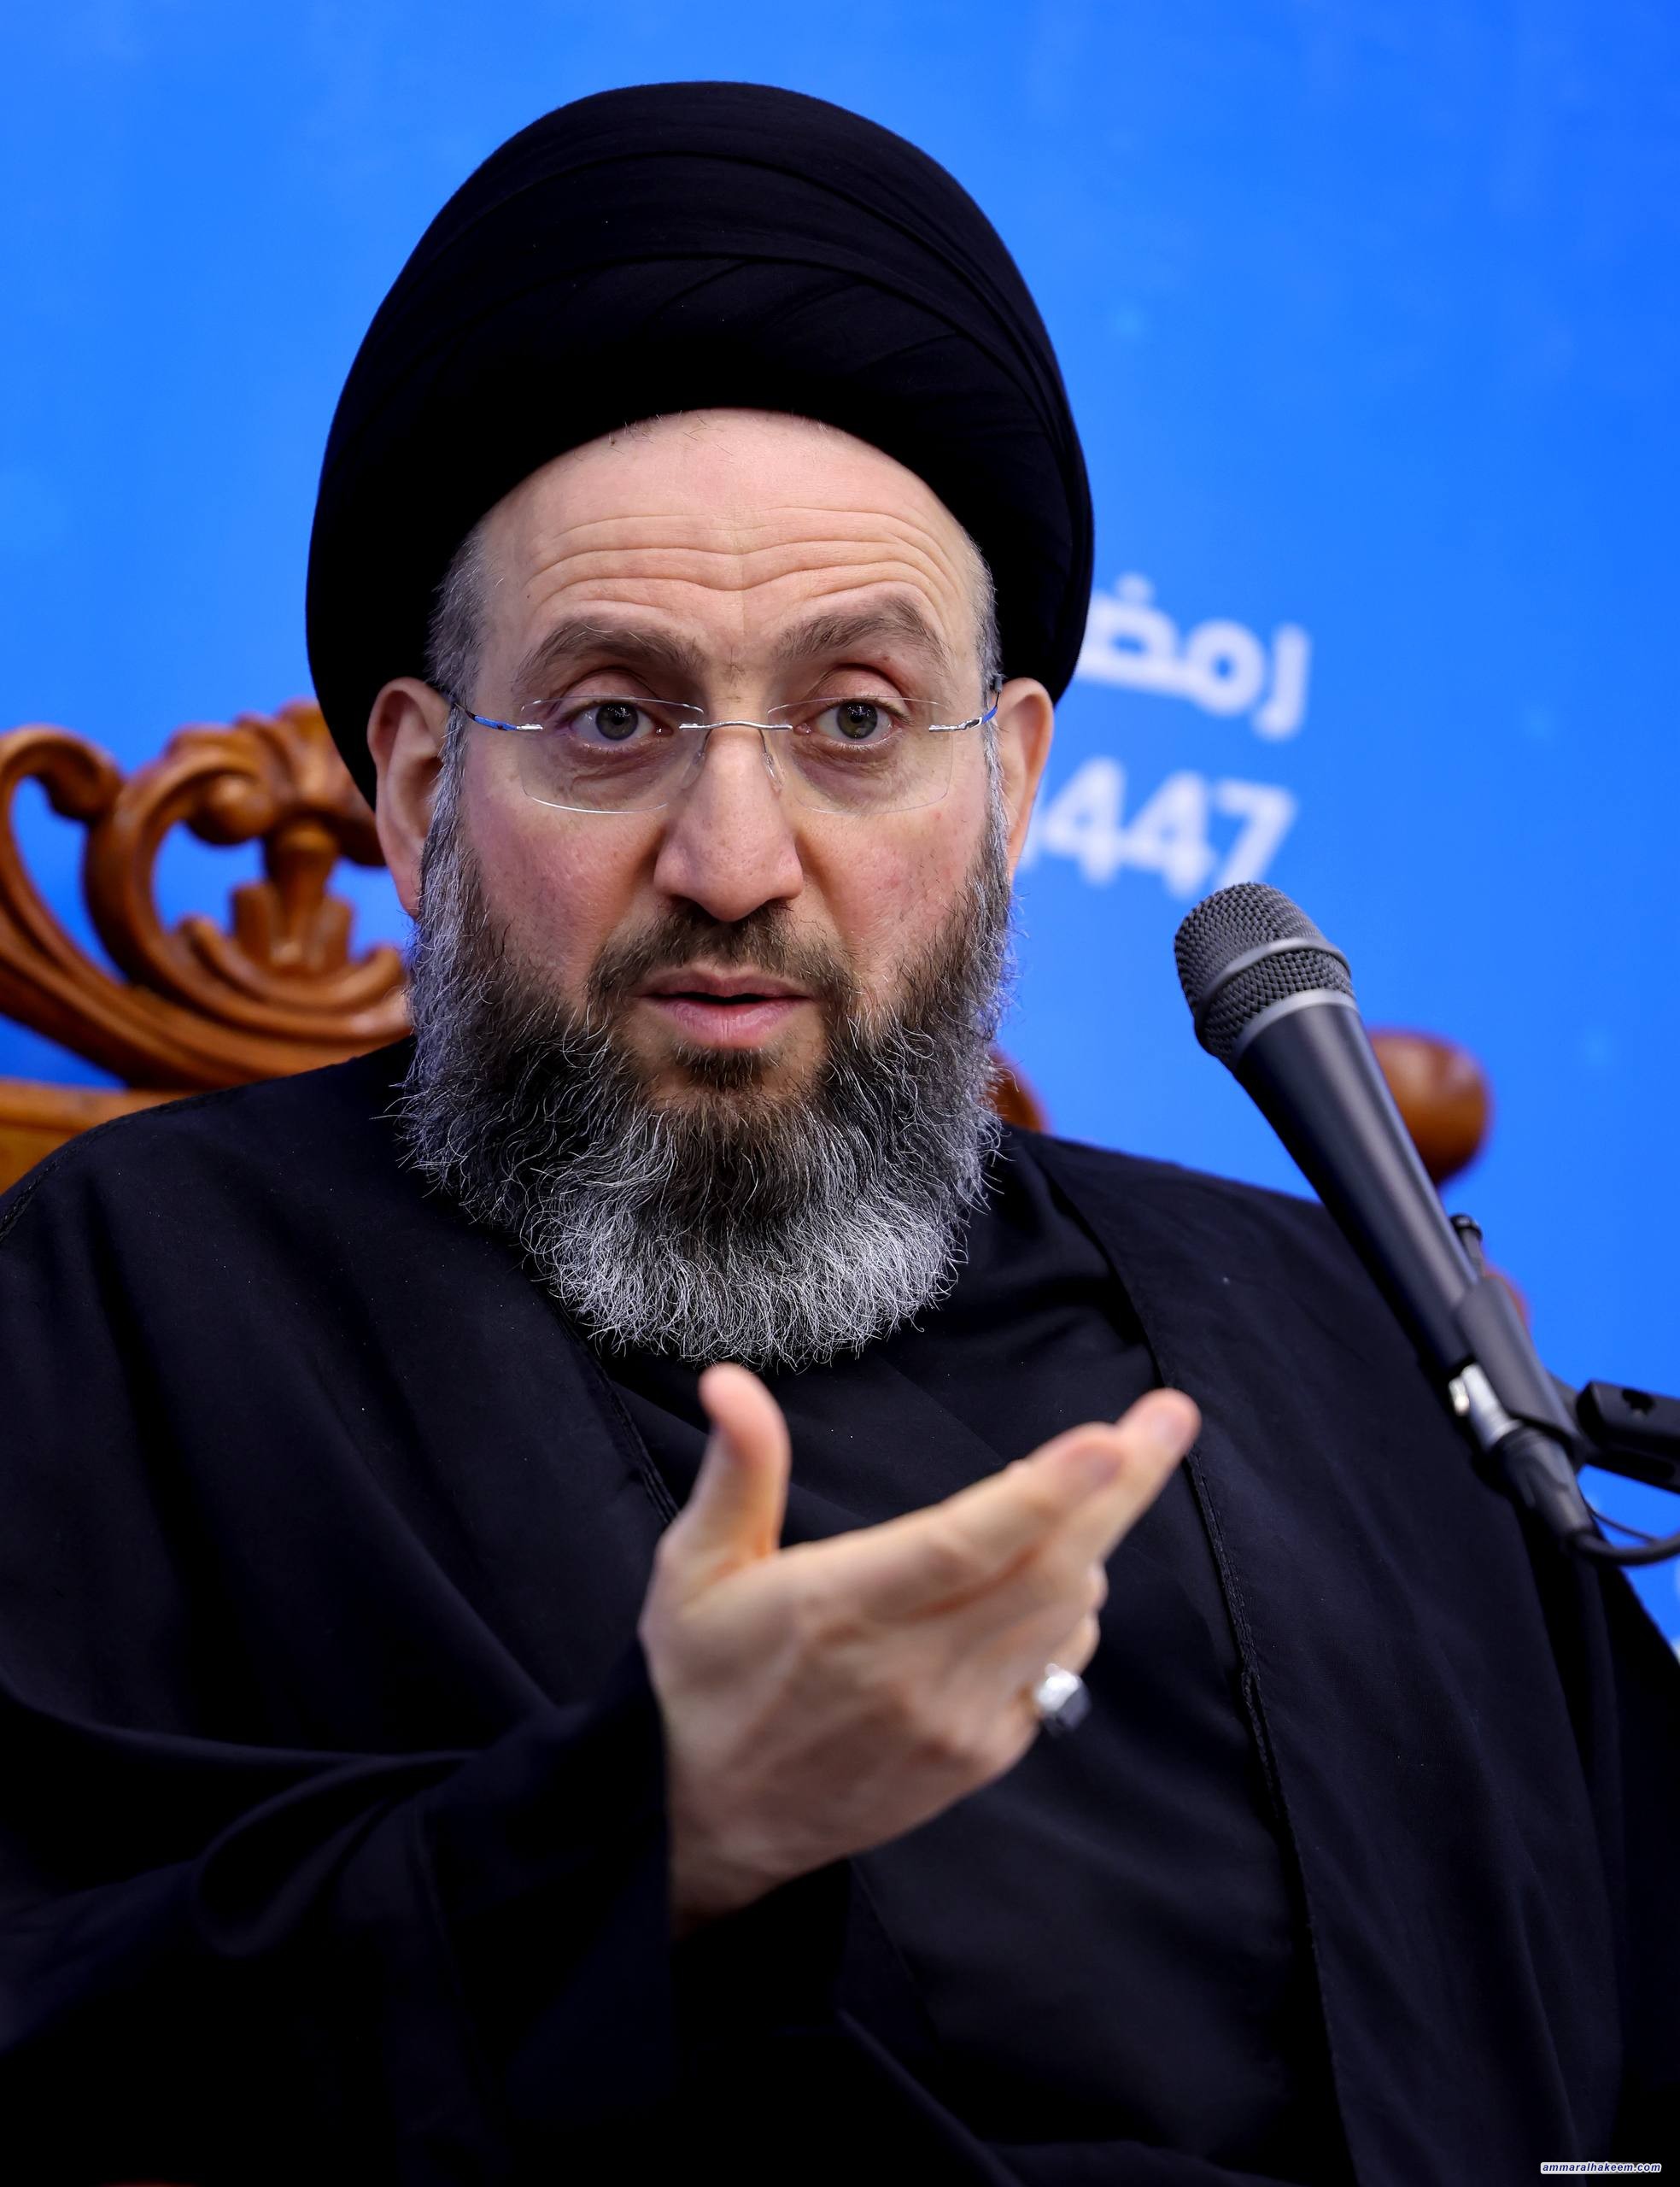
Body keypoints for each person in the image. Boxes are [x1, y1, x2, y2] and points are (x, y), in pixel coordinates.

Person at [0, 81, 1674, 2187]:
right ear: (421, 788)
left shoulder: (1325, 1327)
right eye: (614, 718)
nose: (733, 856)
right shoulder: (142, 1295)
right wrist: (650, 1829)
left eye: (856, 722)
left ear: (1011, 784)